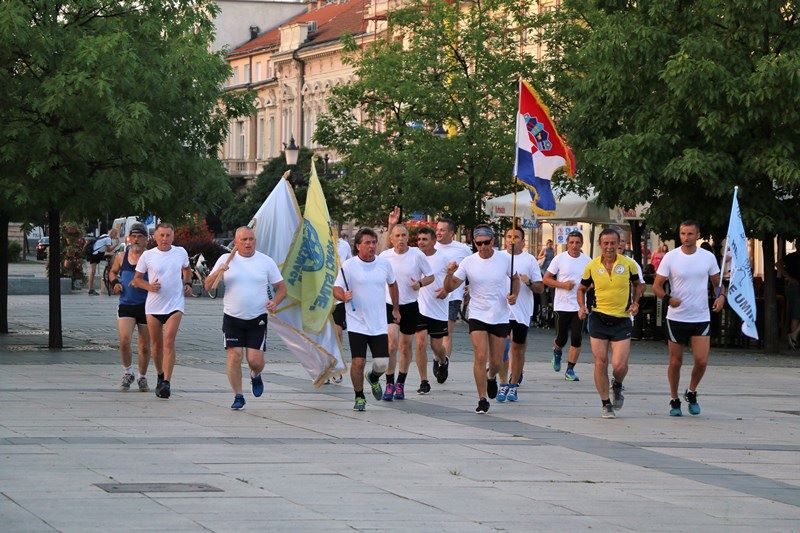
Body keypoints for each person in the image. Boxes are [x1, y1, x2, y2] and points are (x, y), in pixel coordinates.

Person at [205, 226, 287, 410]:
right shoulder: (225, 259)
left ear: (255, 241)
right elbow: (208, 286)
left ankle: (255, 375)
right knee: (234, 356)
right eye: (244, 240)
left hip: (257, 318)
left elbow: (282, 288)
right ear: (236, 242)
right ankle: (238, 395)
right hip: (232, 317)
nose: (248, 243)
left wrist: (275, 301)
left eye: (251, 239)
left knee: (255, 361)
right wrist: (219, 272)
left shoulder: (265, 261)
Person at [652, 221, 725, 416]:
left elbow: (717, 284)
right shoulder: (671, 257)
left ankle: (691, 391)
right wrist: (668, 299)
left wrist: (721, 297)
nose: (686, 237)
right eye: (683, 233)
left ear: (698, 235)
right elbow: (657, 286)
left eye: (690, 234)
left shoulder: (707, 257)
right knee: (675, 362)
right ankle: (674, 399)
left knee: (701, 361)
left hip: (700, 316)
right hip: (677, 317)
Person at [444, 225, 518, 414]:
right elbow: (450, 287)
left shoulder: (504, 259)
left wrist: (514, 295)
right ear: (474, 243)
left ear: (493, 241)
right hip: (477, 314)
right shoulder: (468, 262)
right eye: (479, 243)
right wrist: (449, 273)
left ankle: (491, 376)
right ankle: (482, 399)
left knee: (496, 361)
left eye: (486, 242)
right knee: (480, 356)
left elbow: (515, 279)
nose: (483, 246)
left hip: (500, 315)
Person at [577, 228, 643, 419]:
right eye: (605, 243)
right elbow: (581, 289)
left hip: (622, 319)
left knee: (619, 365)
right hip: (598, 317)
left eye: (613, 243)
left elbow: (638, 285)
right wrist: (582, 307)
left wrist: (636, 302)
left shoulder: (629, 264)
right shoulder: (592, 266)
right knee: (600, 361)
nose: (609, 247)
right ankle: (606, 403)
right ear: (600, 244)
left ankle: (618, 384)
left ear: (619, 244)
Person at [333, 228, 400, 411]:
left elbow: (393, 284)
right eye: (367, 243)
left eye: (374, 242)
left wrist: (395, 308)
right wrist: (343, 296)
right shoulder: (349, 266)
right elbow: (336, 288)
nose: (372, 246)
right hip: (357, 323)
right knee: (358, 362)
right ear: (358, 246)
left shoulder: (384, 264)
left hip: (378, 323)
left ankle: (373, 377)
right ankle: (359, 396)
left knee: (382, 363)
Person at [131, 223, 192, 399]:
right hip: (154, 306)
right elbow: (137, 280)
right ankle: (160, 374)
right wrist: (149, 286)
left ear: (173, 237)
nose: (165, 239)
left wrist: (187, 283)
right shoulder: (148, 255)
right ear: (155, 237)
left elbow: (187, 269)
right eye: (161, 235)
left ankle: (166, 382)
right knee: (156, 346)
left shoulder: (180, 252)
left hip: (175, 304)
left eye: (168, 235)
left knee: (169, 342)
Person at [379, 224, 433, 400]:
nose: (401, 239)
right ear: (391, 239)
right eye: (397, 236)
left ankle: (400, 382)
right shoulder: (385, 256)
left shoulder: (417, 255)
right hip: (390, 305)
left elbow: (431, 276)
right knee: (391, 345)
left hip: (410, 305)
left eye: (403, 235)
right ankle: (389, 383)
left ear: (408, 237)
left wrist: (420, 284)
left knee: (405, 346)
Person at [497, 227, 543, 402]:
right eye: (509, 236)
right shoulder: (498, 257)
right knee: (502, 349)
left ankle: (513, 384)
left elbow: (540, 288)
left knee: (517, 350)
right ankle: (503, 383)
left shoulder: (529, 260)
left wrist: (528, 282)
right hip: (501, 311)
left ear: (523, 241)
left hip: (521, 312)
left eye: (516, 237)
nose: (512, 240)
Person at [543, 230, 591, 382]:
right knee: (562, 338)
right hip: (562, 305)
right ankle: (557, 351)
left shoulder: (587, 260)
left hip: (579, 306)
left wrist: (587, 287)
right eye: (571, 242)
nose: (574, 245)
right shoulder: (559, 258)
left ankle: (570, 369)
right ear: (567, 244)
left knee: (577, 338)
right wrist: (562, 285)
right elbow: (546, 279)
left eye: (577, 242)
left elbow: (594, 281)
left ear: (582, 243)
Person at [107, 223, 150, 392]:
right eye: (134, 236)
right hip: (126, 303)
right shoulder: (121, 256)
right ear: (129, 238)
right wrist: (115, 283)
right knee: (124, 341)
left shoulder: (151, 258)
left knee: (144, 346)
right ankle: (128, 372)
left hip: (147, 305)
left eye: (140, 236)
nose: (136, 239)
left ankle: (142, 376)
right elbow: (112, 272)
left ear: (146, 239)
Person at [414, 226, 451, 393]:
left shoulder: (443, 258)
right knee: (420, 343)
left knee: (436, 346)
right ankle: (424, 381)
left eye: (425, 239)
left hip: (438, 307)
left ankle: (442, 361)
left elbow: (454, 280)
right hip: (419, 307)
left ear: (434, 241)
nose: (421, 242)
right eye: (419, 239)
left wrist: (446, 291)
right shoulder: (414, 256)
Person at [434, 218, 472, 371]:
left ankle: (443, 364)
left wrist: (469, 287)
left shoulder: (463, 249)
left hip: (453, 296)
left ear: (451, 233)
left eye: (442, 230)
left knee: (447, 332)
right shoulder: (430, 246)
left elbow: (471, 269)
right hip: (432, 297)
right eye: (437, 229)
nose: (438, 232)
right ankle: (438, 356)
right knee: (434, 335)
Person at [330, 232, 353, 383]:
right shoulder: (314, 244)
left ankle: (336, 365)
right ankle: (323, 367)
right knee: (321, 333)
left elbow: (351, 265)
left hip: (338, 296)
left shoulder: (343, 245)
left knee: (337, 332)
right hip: (320, 297)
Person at [87, 228, 119, 295]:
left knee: (92, 272)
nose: (116, 236)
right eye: (116, 234)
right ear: (113, 233)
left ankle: (90, 289)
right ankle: (112, 268)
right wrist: (116, 244)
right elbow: (109, 250)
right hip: (97, 254)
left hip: (93, 253)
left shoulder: (104, 235)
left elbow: (104, 248)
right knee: (113, 255)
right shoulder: (108, 239)